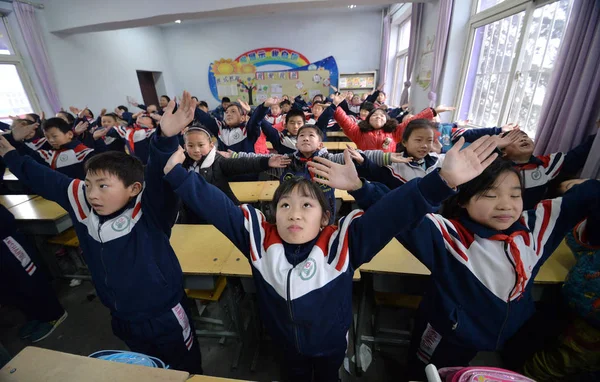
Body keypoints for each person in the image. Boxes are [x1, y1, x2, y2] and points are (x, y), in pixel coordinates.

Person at [161, 131, 499, 382]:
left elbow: (393, 212)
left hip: (330, 342)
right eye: (285, 205)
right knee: (292, 375)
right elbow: (217, 207)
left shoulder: (345, 242)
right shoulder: (258, 239)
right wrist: (176, 174)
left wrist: (442, 182)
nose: (295, 213)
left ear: (325, 218)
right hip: (284, 343)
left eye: (307, 205)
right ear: (273, 214)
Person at [350, 138, 600, 381]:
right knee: (427, 370)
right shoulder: (449, 237)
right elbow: (398, 211)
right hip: (447, 332)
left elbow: (584, 197)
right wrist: (361, 188)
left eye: (515, 195)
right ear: (463, 201)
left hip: (500, 331)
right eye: (490, 195)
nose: (506, 205)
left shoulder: (536, 229)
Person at [0, 91, 203, 374]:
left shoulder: (150, 210)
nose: (92, 194)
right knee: (146, 369)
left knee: (184, 368)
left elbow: (159, 175)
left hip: (164, 313)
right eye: (88, 184)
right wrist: (10, 150)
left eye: (104, 186)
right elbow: (39, 175)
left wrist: (166, 137)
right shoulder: (80, 199)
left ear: (133, 189)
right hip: (121, 315)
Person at [354, 120, 521, 189]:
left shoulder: (439, 161)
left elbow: (471, 159)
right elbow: (374, 172)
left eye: (429, 140)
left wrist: (495, 146)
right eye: (418, 140)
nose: (425, 145)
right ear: (404, 142)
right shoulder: (394, 164)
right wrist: (364, 161)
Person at [178, 126, 290, 223]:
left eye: (201, 145)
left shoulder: (218, 162)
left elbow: (243, 164)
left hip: (220, 213)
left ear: (211, 145)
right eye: (191, 146)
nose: (196, 150)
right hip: (192, 216)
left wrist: (267, 162)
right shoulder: (181, 165)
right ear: (185, 146)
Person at [0, 204, 68, 343]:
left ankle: (53, 314)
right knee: (9, 284)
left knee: (28, 277)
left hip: (4, 238)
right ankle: (34, 315)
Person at [331, 92, 454, 152]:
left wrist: (433, 111)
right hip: (366, 170)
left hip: (389, 171)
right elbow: (344, 120)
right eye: (374, 115)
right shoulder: (358, 132)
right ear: (368, 120)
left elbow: (412, 121)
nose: (378, 117)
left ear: (387, 120)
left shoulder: (395, 133)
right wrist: (335, 106)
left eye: (382, 116)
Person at [6, 118, 103, 179]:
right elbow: (29, 155)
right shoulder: (50, 155)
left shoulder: (85, 152)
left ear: (69, 134)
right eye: (47, 137)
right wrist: (15, 140)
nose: (51, 140)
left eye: (54, 136)